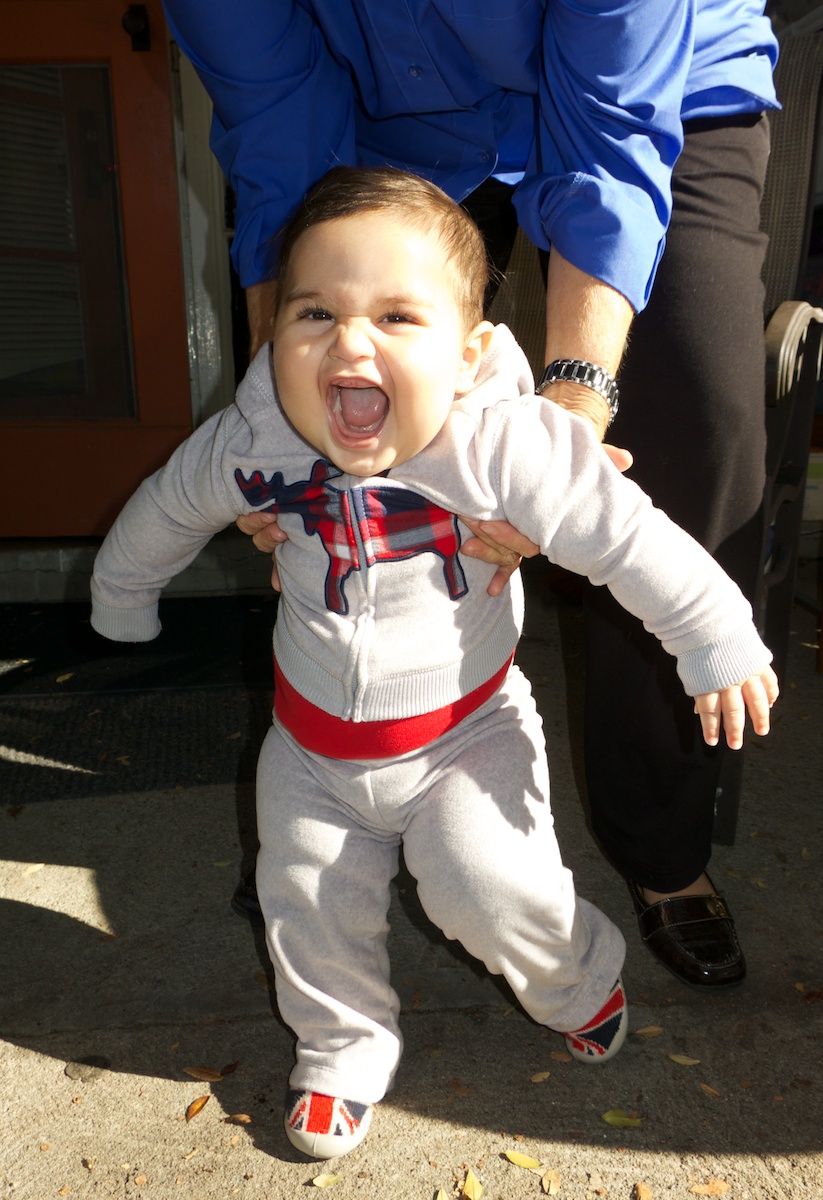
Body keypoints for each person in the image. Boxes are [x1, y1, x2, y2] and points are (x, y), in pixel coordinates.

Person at [90, 168, 777, 1159]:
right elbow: (168, 503)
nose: (349, 342)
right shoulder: (254, 443)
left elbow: (625, 535)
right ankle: (341, 1046)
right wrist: (122, 594)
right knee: (306, 904)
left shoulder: (503, 445)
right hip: (310, 753)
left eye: (397, 316)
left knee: (491, 888)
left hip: (465, 736)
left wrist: (713, 633)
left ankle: (577, 979)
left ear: (468, 355)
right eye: (315, 313)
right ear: (274, 337)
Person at [162, 0, 780, 988]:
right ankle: (339, 806)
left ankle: (661, 844)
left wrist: (570, 422)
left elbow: (608, 133)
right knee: (357, 430)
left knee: (697, 424)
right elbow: (279, 128)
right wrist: (282, 419)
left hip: (652, 94)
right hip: (390, 118)